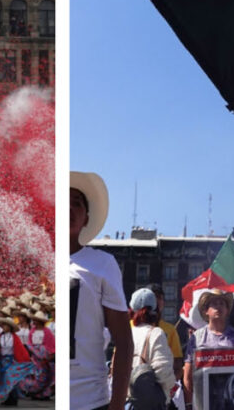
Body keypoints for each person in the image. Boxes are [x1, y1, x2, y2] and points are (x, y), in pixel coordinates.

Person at [70, 170, 133, 410]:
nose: (70, 209)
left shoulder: (102, 264)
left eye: (78, 204)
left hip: (89, 400)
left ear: (86, 218)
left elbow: (124, 342)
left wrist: (116, 405)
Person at [183, 289, 234, 408]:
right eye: (214, 303)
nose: (218, 306)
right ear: (206, 311)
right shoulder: (196, 338)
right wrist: (189, 404)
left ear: (227, 310)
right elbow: (187, 377)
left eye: (222, 303)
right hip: (203, 402)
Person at [128, 287, 176, 408]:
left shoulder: (126, 333)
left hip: (127, 403)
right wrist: (171, 384)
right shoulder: (156, 333)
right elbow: (164, 373)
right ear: (155, 311)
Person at [144, 283, 184, 380]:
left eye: (159, 297)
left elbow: (178, 365)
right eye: (152, 297)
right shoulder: (131, 326)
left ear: (163, 303)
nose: (156, 301)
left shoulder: (170, 330)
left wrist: (169, 387)